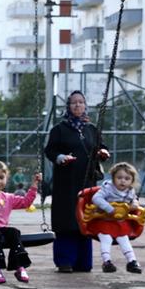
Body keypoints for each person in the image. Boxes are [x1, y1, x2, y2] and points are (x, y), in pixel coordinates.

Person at [45, 90, 110, 273]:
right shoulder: (59, 129)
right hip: (65, 183)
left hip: (87, 182)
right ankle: (65, 261)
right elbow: (50, 151)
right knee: (66, 220)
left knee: (85, 219)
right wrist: (60, 158)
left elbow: (101, 147)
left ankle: (83, 262)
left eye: (81, 102)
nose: (77, 105)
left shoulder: (91, 129)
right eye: (74, 102)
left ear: (85, 105)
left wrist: (103, 153)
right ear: (68, 106)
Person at [92, 162, 143, 274]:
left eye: (127, 178)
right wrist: (109, 208)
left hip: (119, 222)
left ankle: (132, 262)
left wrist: (135, 204)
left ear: (132, 181)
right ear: (113, 178)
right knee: (106, 239)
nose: (123, 181)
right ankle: (107, 262)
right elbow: (96, 198)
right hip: (105, 220)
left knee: (124, 240)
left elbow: (134, 199)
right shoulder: (107, 188)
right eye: (119, 178)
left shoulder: (130, 191)